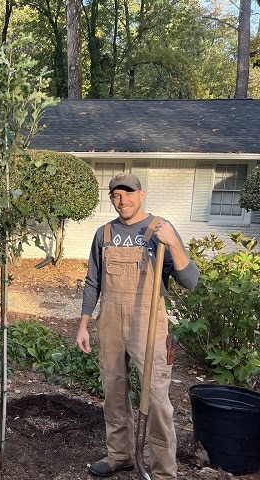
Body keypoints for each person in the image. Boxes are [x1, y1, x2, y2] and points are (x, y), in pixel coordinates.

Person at [75, 173, 199, 479]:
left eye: (128, 194)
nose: (122, 201)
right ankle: (120, 454)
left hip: (149, 323)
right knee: (114, 389)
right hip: (111, 321)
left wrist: (172, 244)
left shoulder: (160, 230)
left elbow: (191, 281)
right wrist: (83, 325)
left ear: (141, 195)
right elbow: (93, 283)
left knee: (156, 397)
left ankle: (163, 471)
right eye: (116, 195)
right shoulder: (103, 234)